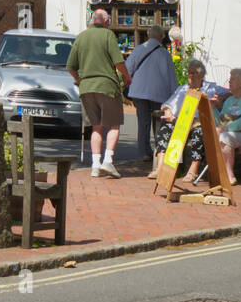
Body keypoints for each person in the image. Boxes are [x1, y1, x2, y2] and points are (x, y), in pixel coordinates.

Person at [66, 9, 132, 178]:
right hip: (107, 85)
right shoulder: (108, 35)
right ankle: (108, 161)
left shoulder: (81, 37)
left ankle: (95, 166)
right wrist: (126, 76)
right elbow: (118, 61)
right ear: (104, 21)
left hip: (87, 88)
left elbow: (70, 66)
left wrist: (80, 81)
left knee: (96, 127)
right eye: (108, 20)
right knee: (114, 124)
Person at [153, 59, 226, 183]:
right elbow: (167, 104)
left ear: (202, 75)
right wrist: (167, 110)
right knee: (166, 128)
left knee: (200, 132)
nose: (190, 75)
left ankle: (193, 170)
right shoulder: (182, 89)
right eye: (189, 72)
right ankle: (161, 168)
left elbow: (229, 93)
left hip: (199, 123)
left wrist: (220, 100)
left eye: (194, 73)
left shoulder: (210, 88)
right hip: (181, 122)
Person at [125, 25, 177, 163]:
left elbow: (128, 69)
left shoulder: (138, 49)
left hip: (139, 92)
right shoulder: (165, 54)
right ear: (161, 37)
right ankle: (159, 152)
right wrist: (174, 95)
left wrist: (127, 83)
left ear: (148, 35)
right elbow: (171, 77)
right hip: (158, 93)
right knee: (158, 123)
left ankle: (144, 153)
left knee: (143, 122)